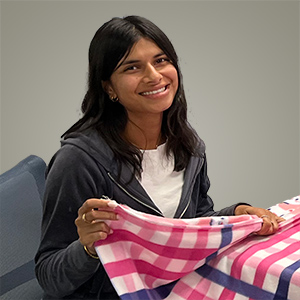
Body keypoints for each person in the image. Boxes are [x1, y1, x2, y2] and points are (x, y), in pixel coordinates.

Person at [35, 15, 285, 299]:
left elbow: (192, 224)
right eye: (132, 67)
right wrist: (87, 248)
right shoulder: (78, 162)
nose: (154, 76)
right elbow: (48, 277)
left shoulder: (189, 147)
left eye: (161, 60)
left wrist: (236, 213)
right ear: (108, 87)